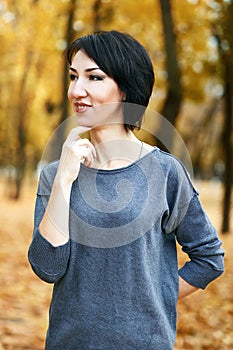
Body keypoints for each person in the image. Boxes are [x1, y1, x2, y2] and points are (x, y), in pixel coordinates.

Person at [28, 30, 224, 350]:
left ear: (125, 89)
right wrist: (65, 178)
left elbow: (209, 258)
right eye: (73, 77)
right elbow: (47, 267)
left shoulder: (165, 171)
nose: (77, 89)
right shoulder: (55, 174)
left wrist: (155, 296)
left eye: (94, 78)